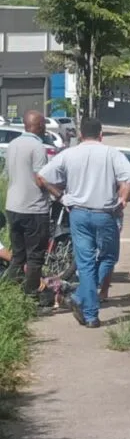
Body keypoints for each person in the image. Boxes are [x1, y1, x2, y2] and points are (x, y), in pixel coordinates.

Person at [38, 118, 130, 328]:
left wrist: (61, 197)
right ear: (101, 135)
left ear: (81, 135)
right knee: (109, 257)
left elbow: (43, 176)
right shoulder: (111, 153)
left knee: (85, 263)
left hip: (79, 214)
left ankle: (85, 304)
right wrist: (124, 200)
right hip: (105, 214)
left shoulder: (69, 154)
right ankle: (86, 308)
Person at [4, 110, 51, 302]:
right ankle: (30, 297)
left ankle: (7, 292)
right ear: (38, 125)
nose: (45, 127)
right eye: (43, 124)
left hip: (12, 206)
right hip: (33, 209)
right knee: (35, 257)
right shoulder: (37, 147)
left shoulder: (13, 144)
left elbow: (8, 173)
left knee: (18, 255)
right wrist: (56, 191)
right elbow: (41, 179)